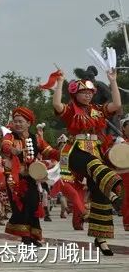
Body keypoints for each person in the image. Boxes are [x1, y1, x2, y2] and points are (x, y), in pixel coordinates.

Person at [51, 69, 124, 255]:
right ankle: (115, 191)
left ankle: (101, 239)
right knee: (93, 164)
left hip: (95, 149)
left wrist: (113, 81)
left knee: (100, 197)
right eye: (83, 92)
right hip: (76, 150)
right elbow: (56, 104)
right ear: (76, 94)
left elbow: (116, 104)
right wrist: (60, 83)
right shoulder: (70, 110)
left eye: (90, 93)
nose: (87, 95)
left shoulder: (98, 110)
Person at [0, 106, 59, 245]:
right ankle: (25, 237)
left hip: (31, 177)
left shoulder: (36, 139)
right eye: (15, 121)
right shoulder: (10, 136)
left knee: (33, 204)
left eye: (21, 121)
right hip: (14, 178)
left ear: (28, 123)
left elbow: (49, 151)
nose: (17, 124)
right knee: (20, 205)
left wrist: (63, 152)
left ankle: (33, 236)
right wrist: (13, 150)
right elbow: (5, 146)